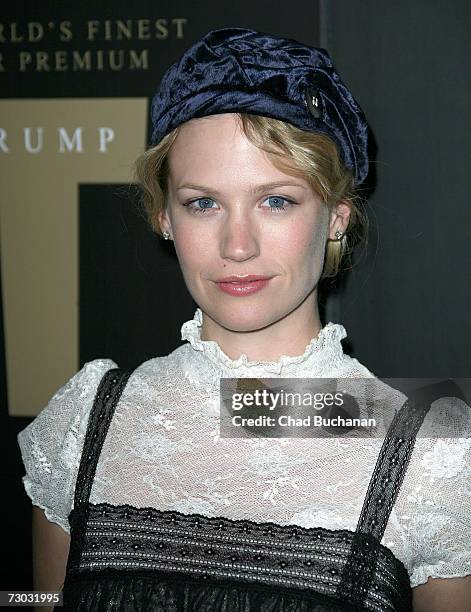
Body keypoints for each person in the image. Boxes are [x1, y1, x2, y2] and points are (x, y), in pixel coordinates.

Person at [17, 28, 470, 612]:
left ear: (336, 217)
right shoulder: (84, 423)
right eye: (203, 202)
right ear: (164, 218)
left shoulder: (431, 455)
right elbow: (33, 602)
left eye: (275, 200)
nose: (236, 245)